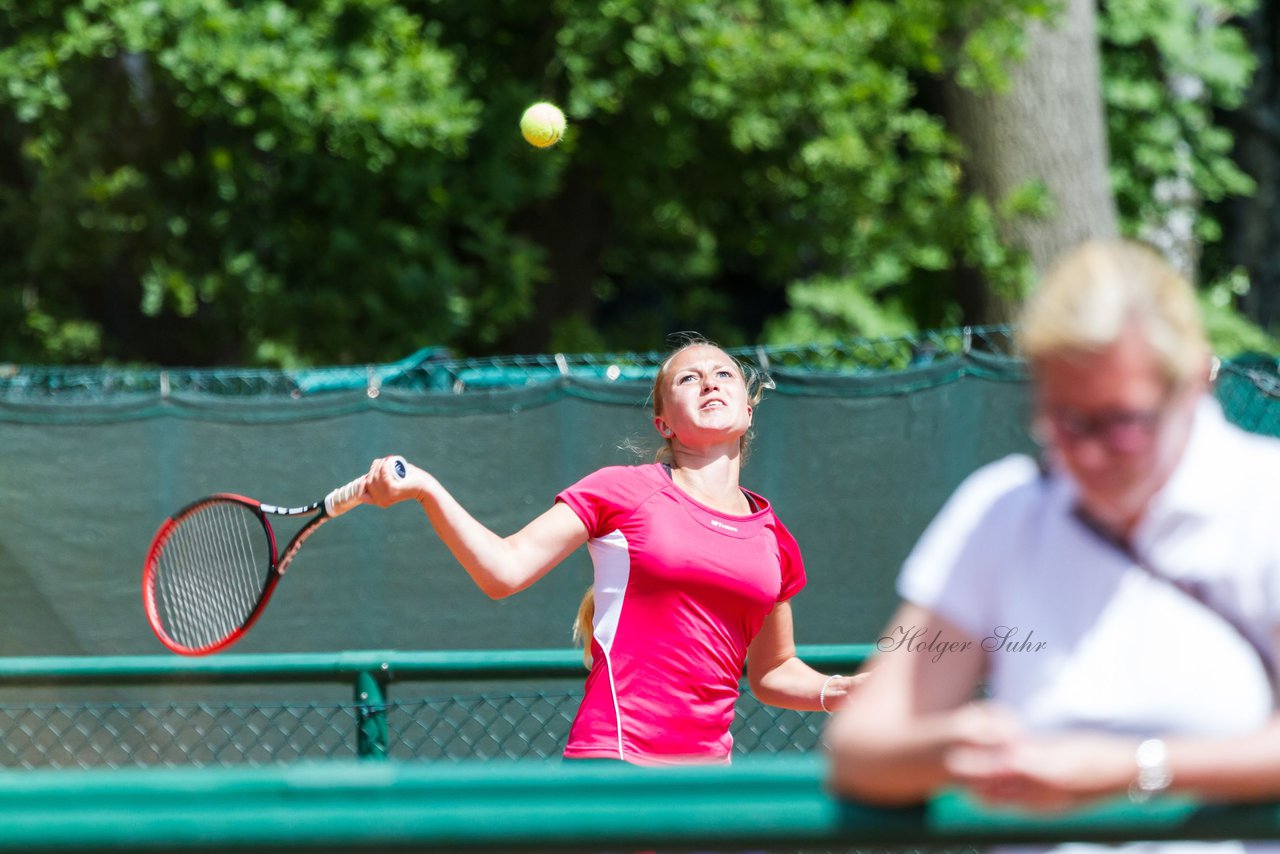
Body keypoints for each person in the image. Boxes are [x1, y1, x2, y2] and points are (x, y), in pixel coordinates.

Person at [826, 238, 1280, 828]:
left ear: (1194, 382)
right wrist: (956, 744)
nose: (1088, 455)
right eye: (1065, 421)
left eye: (1120, 422)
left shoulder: (1263, 499)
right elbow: (861, 746)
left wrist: (1131, 769)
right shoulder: (1003, 511)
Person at [361, 335, 862, 765]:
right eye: (688, 379)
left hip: (708, 789)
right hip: (613, 769)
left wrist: (838, 691)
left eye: (723, 374)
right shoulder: (620, 490)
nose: (709, 382)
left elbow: (773, 669)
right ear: (663, 423)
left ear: (748, 411)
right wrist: (427, 490)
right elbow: (504, 570)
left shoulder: (773, 538)